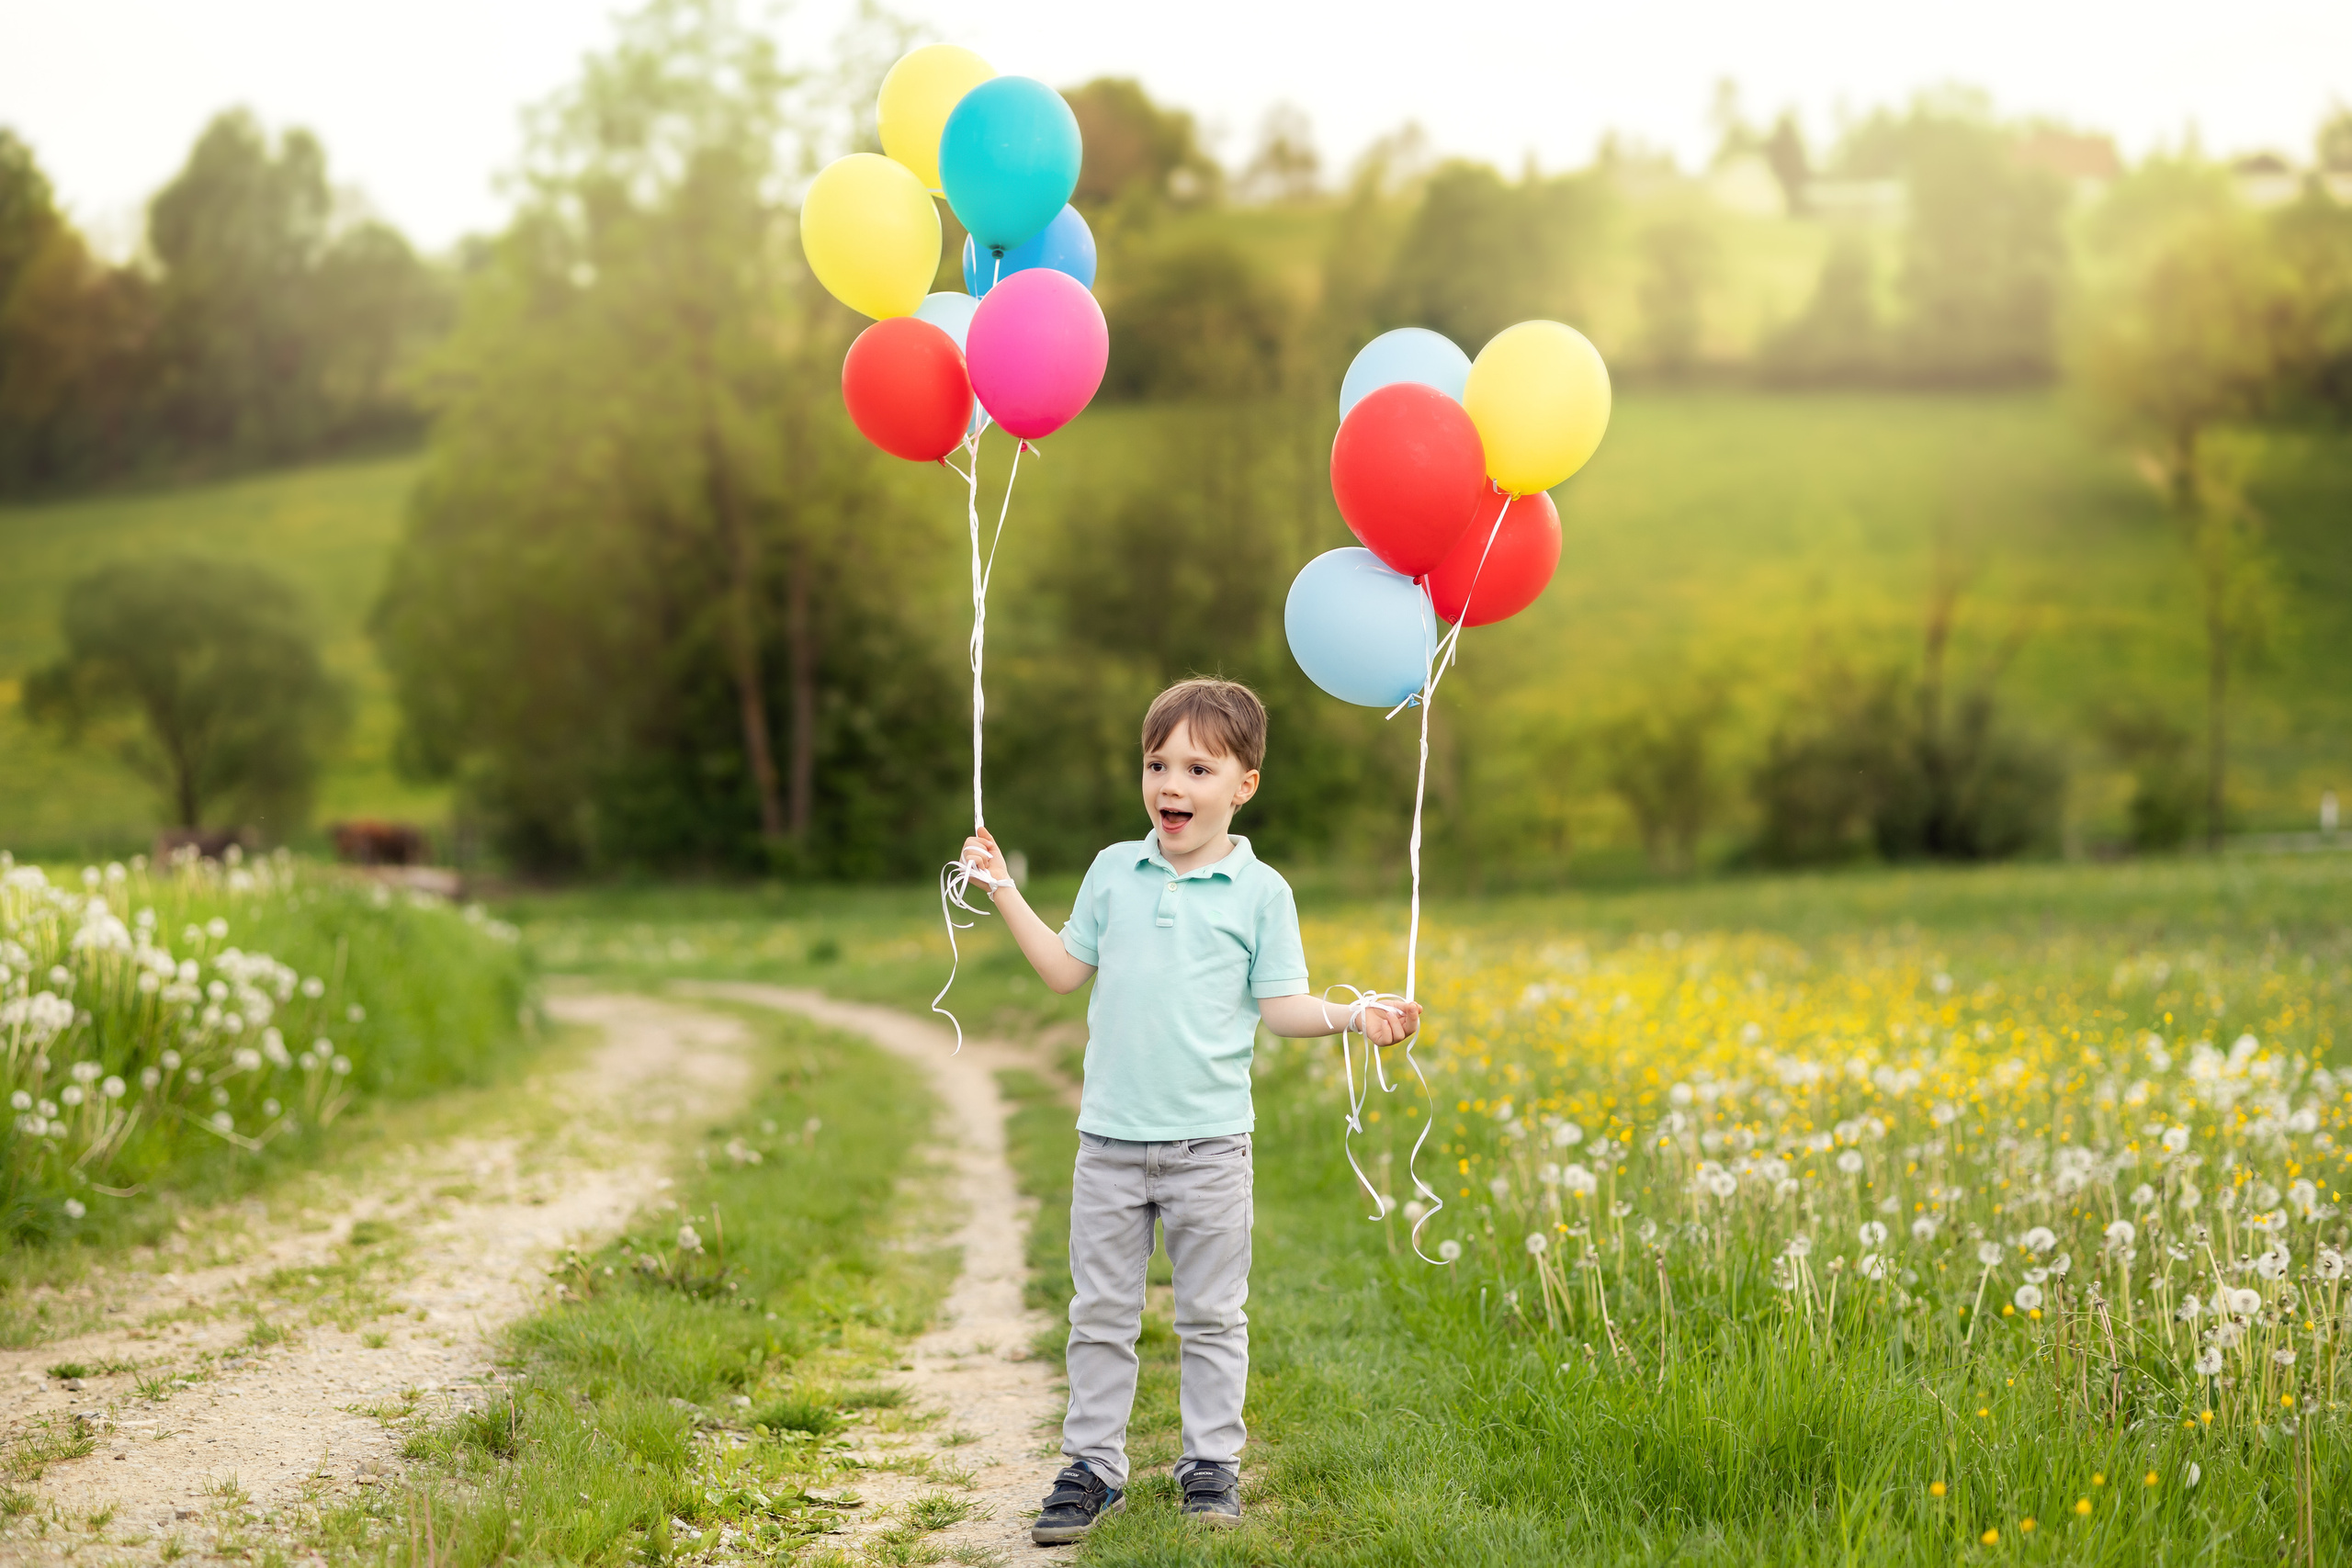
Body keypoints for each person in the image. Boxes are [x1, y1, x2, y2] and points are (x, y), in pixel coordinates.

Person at [957, 676, 1420, 1545]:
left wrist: (1354, 1014)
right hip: (1109, 1144)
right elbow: (1064, 972)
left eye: (1198, 768)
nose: (1172, 785)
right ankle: (1093, 1466)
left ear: (1244, 784)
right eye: (1157, 764)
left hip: (1210, 1147)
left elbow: (1280, 1007)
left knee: (1212, 1314)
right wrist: (1001, 889)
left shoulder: (1261, 893)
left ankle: (1211, 1463)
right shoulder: (1112, 871)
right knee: (1100, 1312)